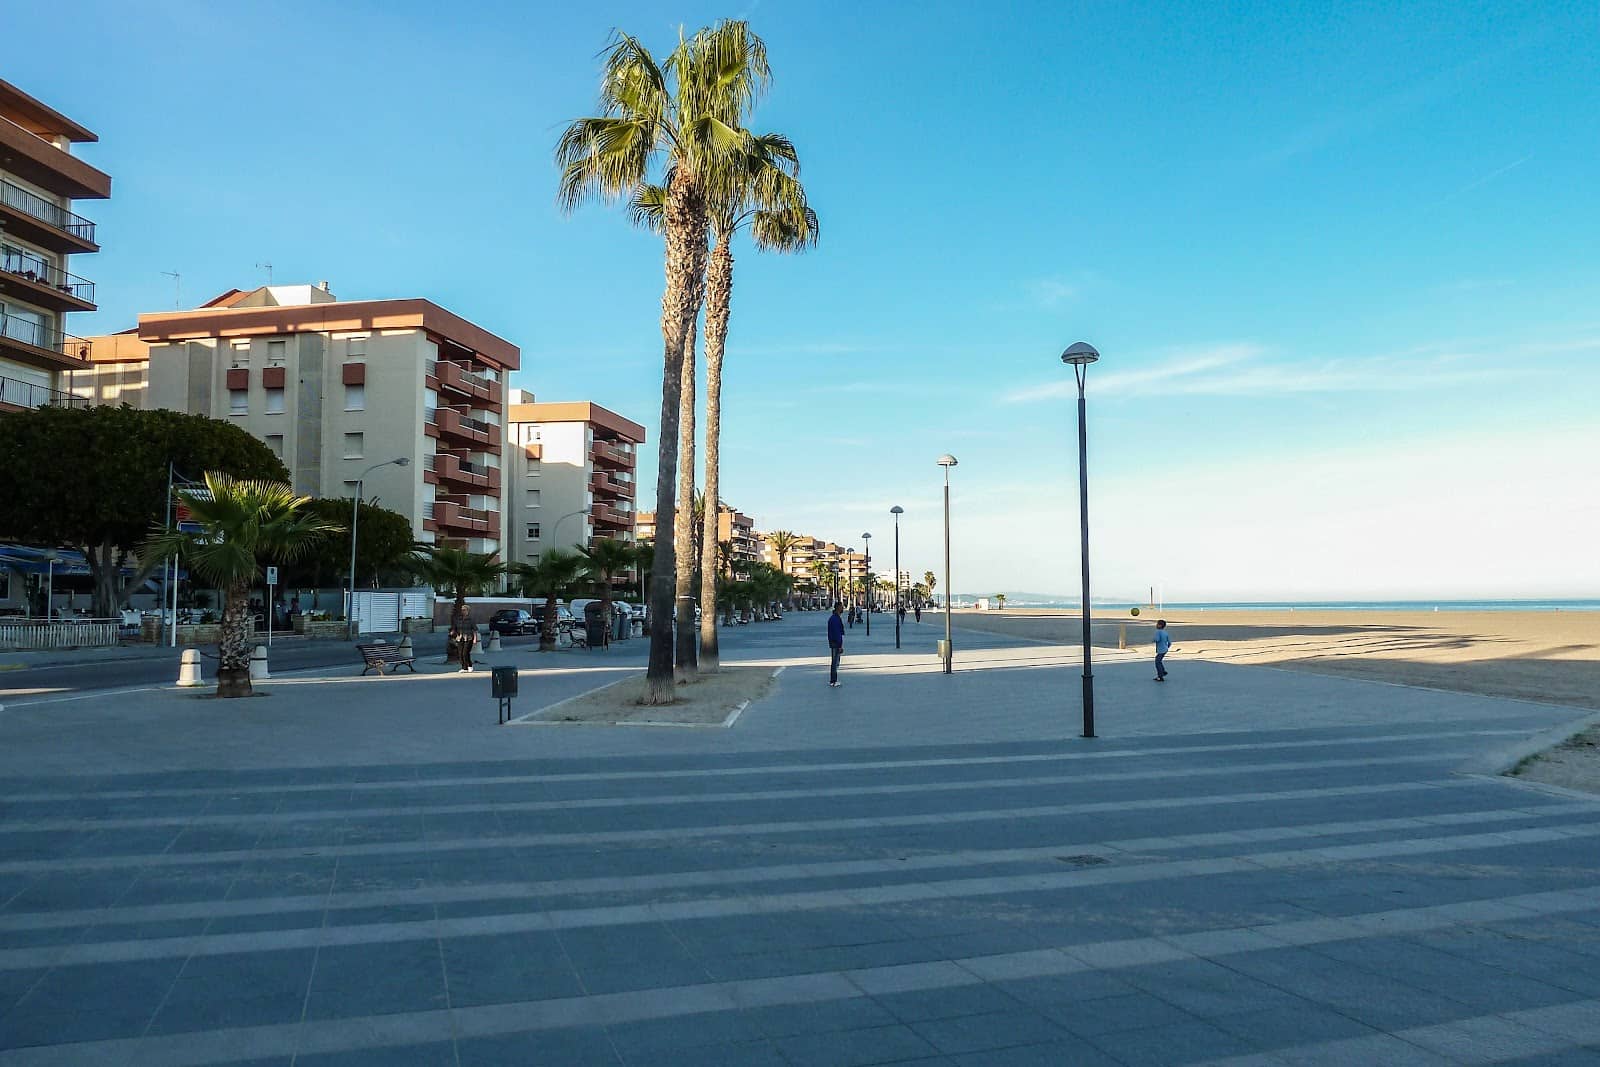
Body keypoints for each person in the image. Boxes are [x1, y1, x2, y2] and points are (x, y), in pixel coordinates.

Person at [827, 603, 845, 687]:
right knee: (835, 662)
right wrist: (840, 645)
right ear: (838, 608)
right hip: (835, 643)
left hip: (834, 642)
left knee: (835, 662)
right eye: (842, 607)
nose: (843, 608)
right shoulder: (835, 619)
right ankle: (833, 681)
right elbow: (837, 633)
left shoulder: (834, 618)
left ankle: (833, 680)